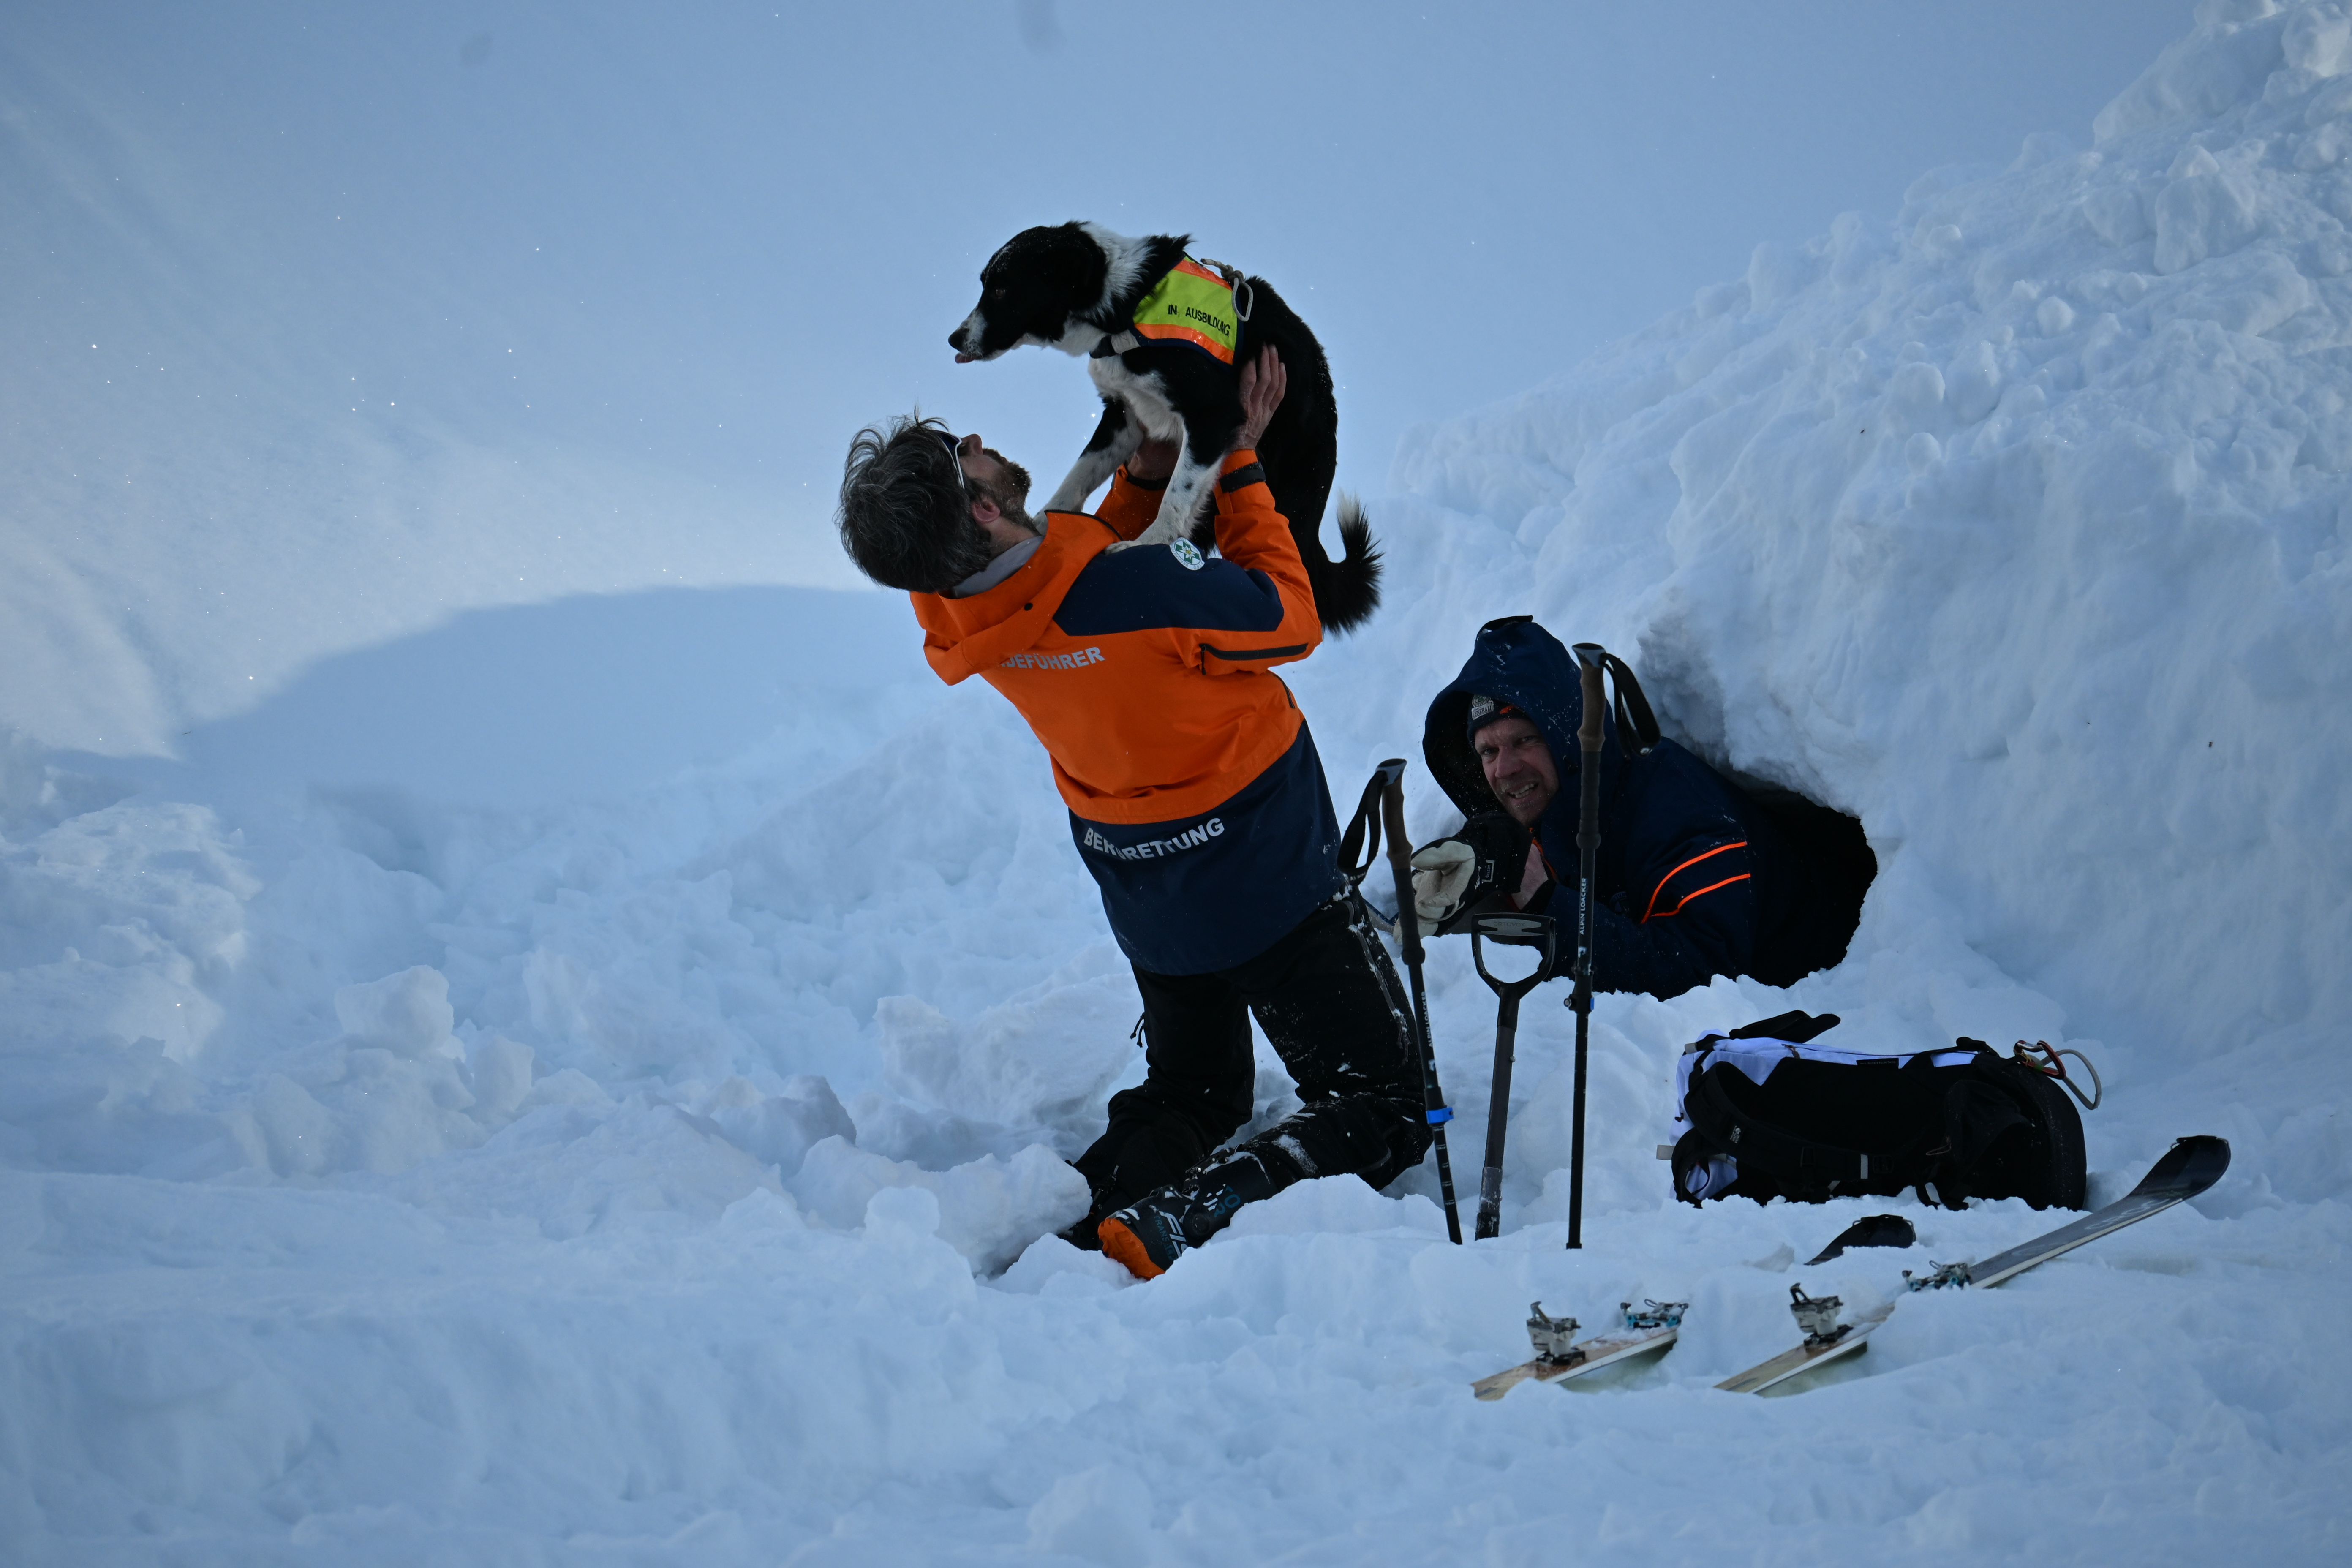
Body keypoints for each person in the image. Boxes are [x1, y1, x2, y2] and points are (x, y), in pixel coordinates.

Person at [835, 349, 1429, 1279]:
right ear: (982, 509)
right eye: (964, 453)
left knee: (1194, 1093)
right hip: (1268, 875)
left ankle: (1070, 1230)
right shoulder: (1143, 592)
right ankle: (1191, 1213)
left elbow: (1066, 581)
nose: (980, 442)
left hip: (1150, 895)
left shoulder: (953, 612)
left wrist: (1148, 479)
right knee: (1387, 1103)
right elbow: (1290, 614)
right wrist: (1234, 455)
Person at [1410, 616, 1867, 998]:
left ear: (1567, 735)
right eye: (1488, 752)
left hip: (1836, 1000)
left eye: (1525, 740)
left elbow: (1701, 974)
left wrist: (1545, 899)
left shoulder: (1678, 807)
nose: (1505, 769)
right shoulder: (1541, 804)